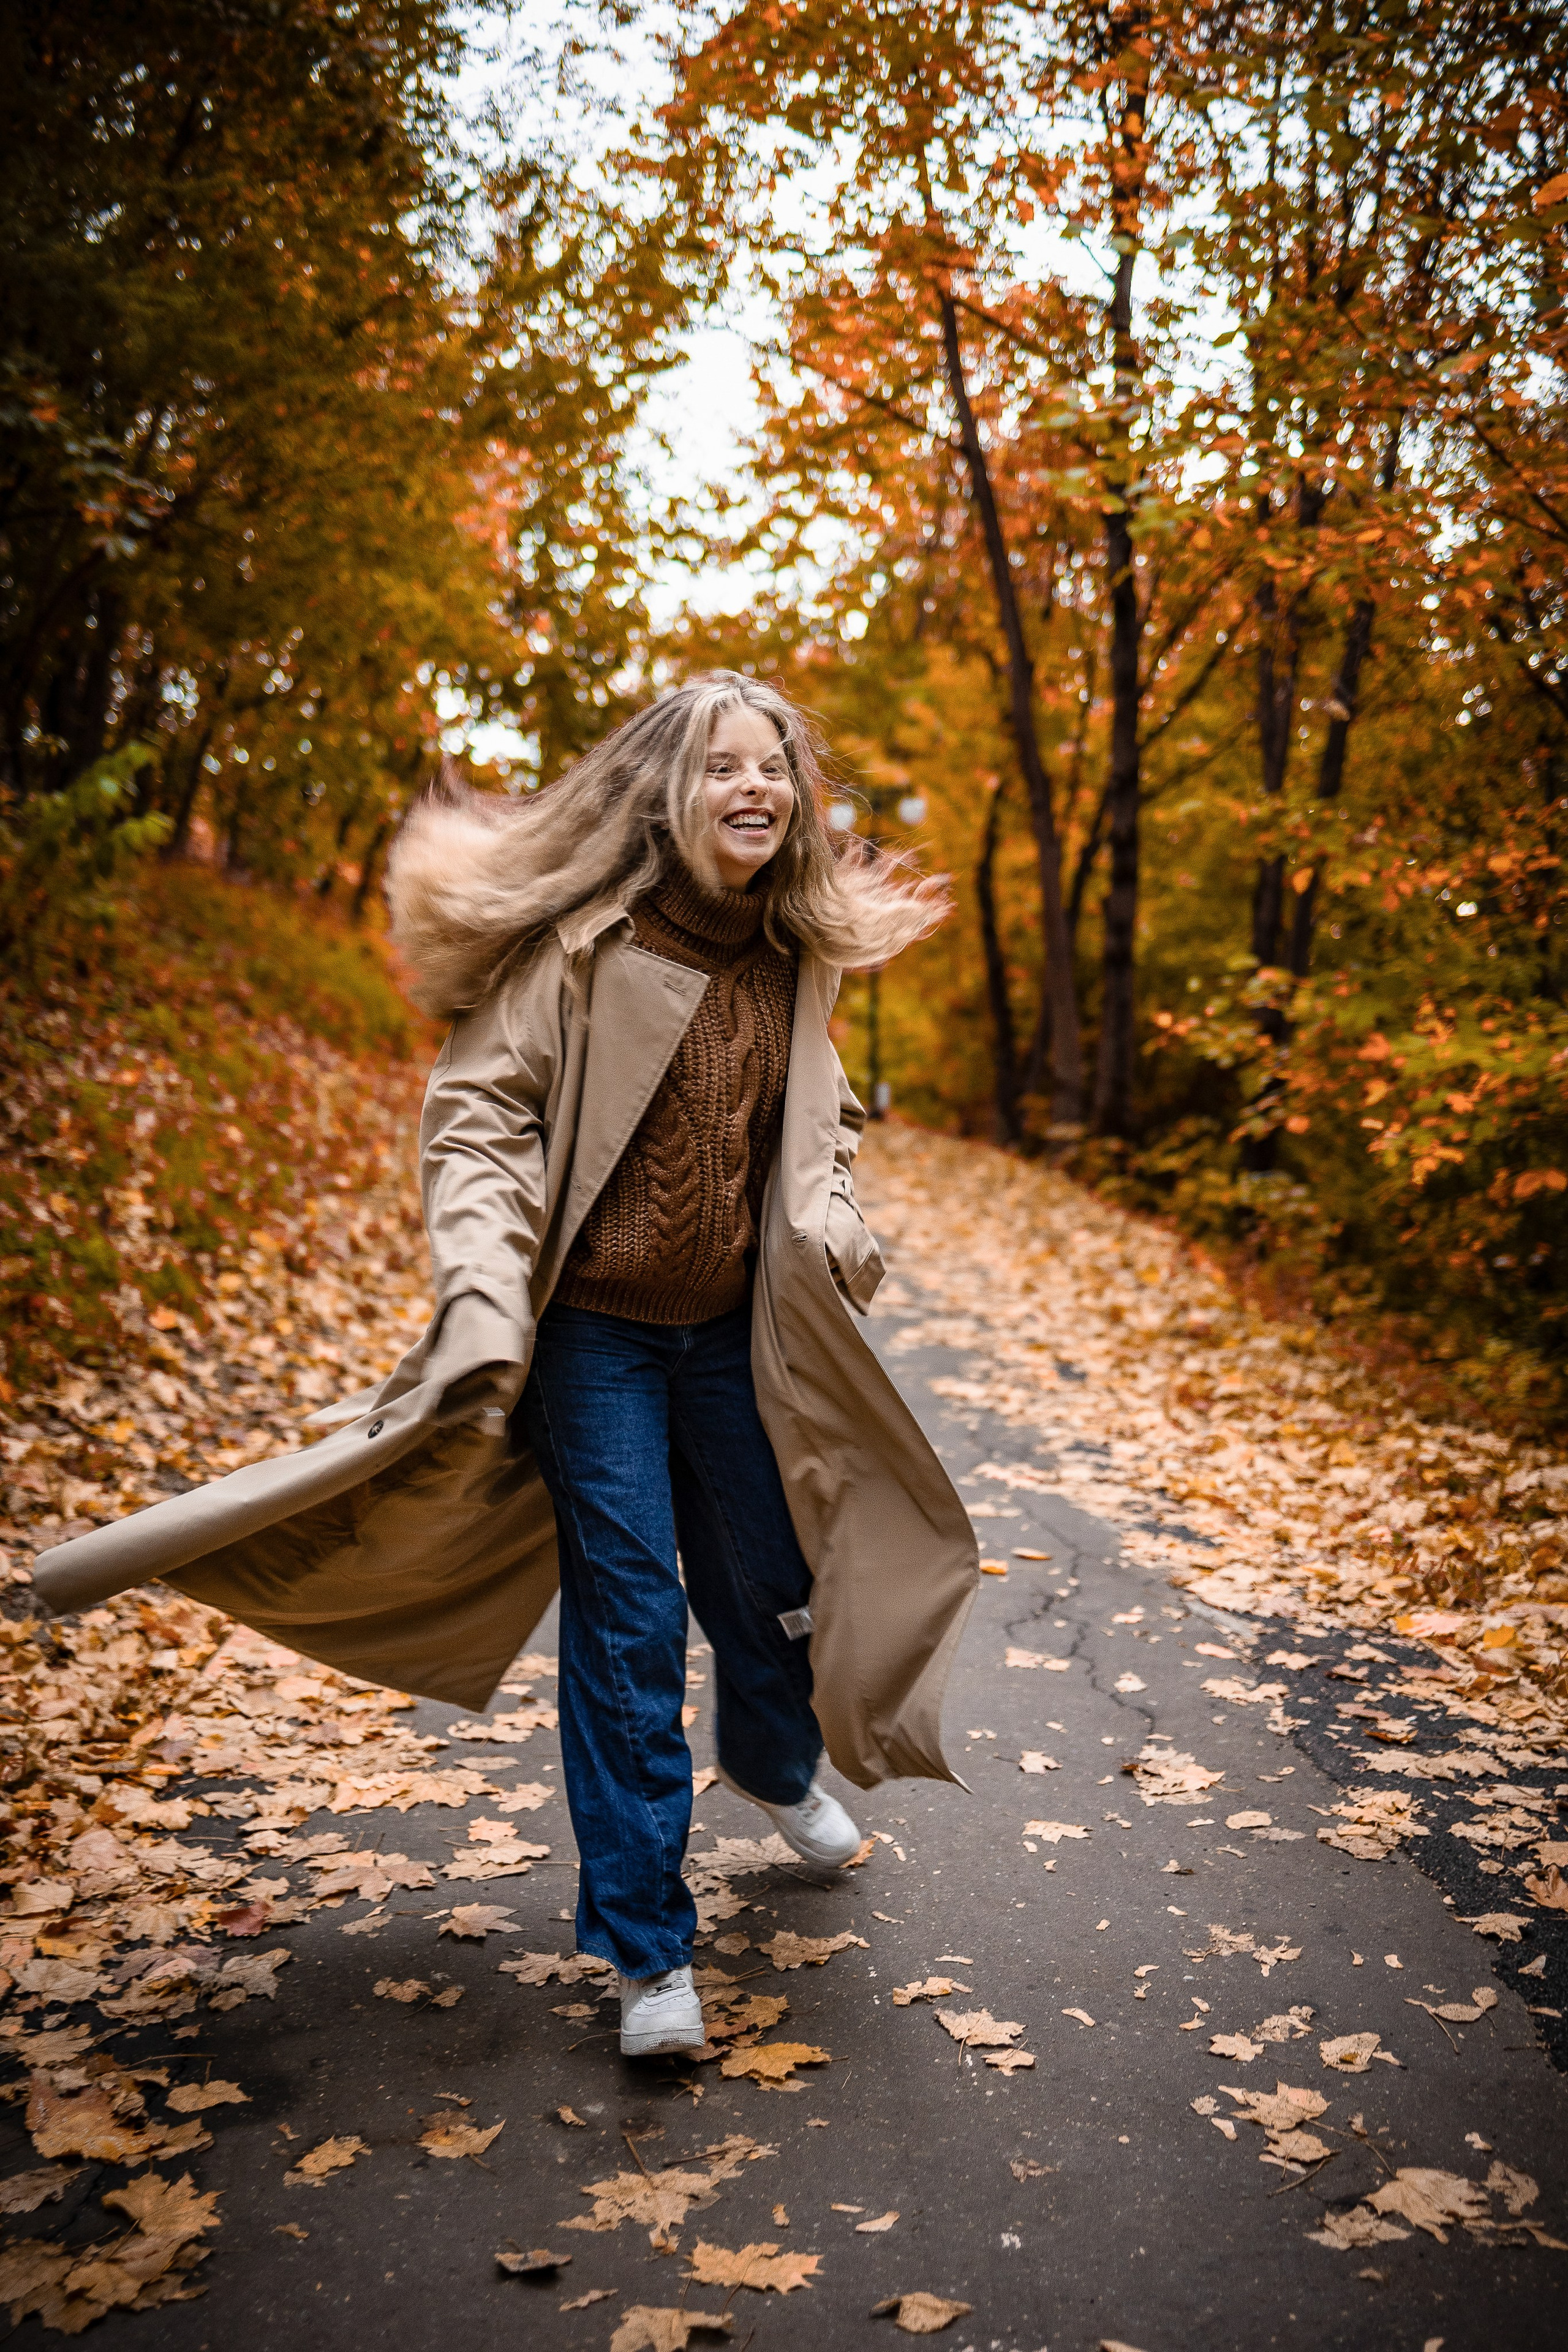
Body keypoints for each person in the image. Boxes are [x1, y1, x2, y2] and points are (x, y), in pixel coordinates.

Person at [34, 671, 980, 2060]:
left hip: (732, 1337)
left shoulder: (795, 956)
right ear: (669, 788)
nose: (754, 789)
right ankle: (649, 1951)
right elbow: (475, 1124)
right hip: (592, 1339)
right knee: (627, 1631)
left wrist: (831, 1212)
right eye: (722, 766)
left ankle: (772, 1764)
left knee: (771, 1589)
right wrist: (484, 1301)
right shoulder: (581, 952)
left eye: (772, 766)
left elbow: (820, 1131)